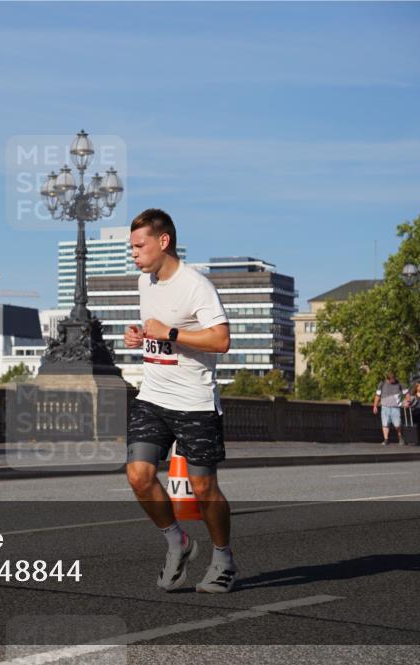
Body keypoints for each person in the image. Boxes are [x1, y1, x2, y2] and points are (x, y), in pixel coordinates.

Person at [122, 208, 237, 594]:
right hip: (153, 397)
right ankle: (178, 542)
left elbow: (221, 340)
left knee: (204, 489)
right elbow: (156, 333)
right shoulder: (145, 282)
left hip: (194, 402)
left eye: (139, 246)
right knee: (138, 475)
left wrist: (170, 332)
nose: (134, 253)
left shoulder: (196, 286)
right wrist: (139, 336)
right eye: (131, 247)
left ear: (163, 241)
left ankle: (223, 558)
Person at [373, 372, 409, 445]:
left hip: (395, 407)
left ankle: (400, 437)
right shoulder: (382, 383)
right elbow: (377, 395)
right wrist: (375, 406)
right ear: (387, 379)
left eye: (394, 379)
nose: (393, 381)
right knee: (385, 424)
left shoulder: (399, 383)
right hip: (385, 407)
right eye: (391, 380)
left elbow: (407, 393)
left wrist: (407, 401)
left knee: (397, 424)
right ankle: (386, 439)